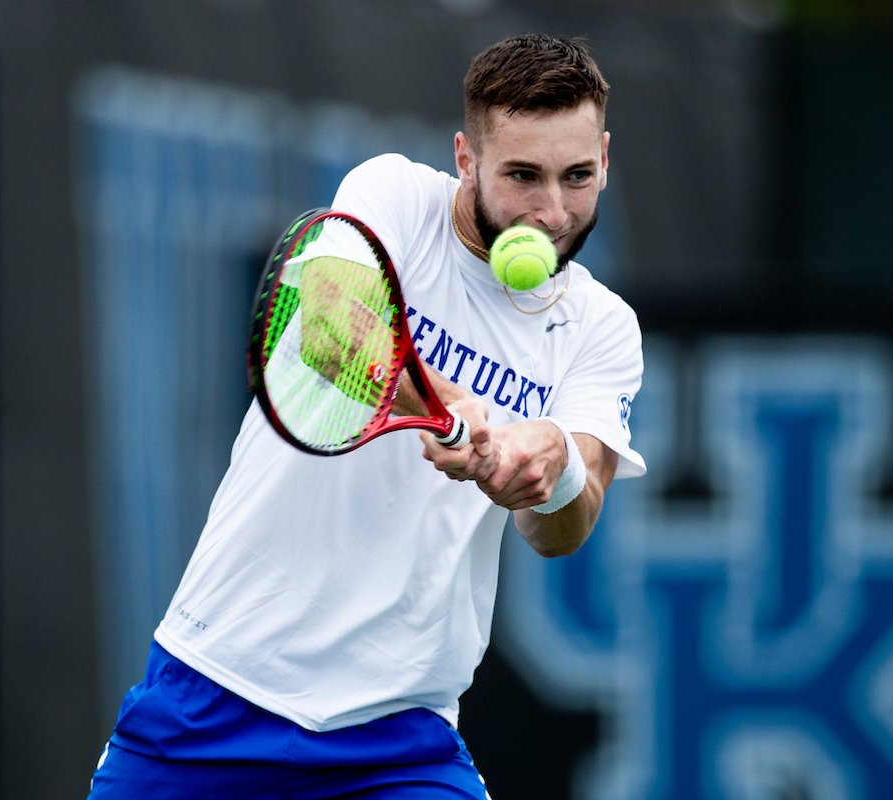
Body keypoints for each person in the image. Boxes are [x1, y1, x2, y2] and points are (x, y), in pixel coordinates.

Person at [87, 33, 645, 800]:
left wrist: (546, 464)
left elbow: (569, 525)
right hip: (213, 693)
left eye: (577, 176)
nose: (551, 212)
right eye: (522, 176)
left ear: (605, 159)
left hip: (399, 740)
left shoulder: (603, 329)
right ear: (466, 158)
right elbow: (327, 334)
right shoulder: (391, 196)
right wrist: (446, 405)